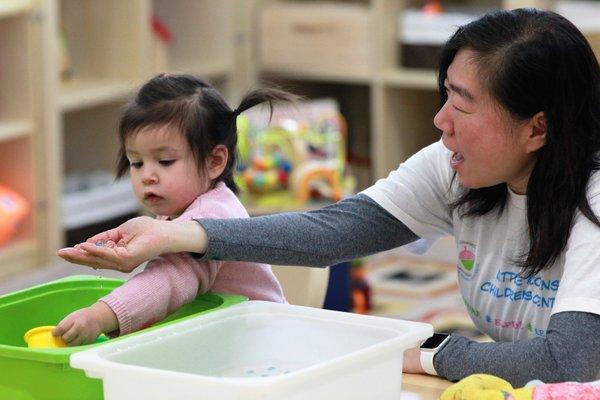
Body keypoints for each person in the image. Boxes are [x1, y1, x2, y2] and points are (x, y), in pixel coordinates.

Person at [57, 8, 600, 386]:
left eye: (462, 106)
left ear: (537, 129)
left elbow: (570, 360)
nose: (439, 122)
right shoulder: (455, 168)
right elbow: (333, 233)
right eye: (444, 97)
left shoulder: (593, 202)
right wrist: (182, 233)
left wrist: (430, 354)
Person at [53, 74, 292, 345]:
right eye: (137, 163)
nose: (147, 176)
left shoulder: (212, 214)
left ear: (214, 161)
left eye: (165, 161)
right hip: (220, 339)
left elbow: (169, 279)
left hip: (258, 346)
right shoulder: (179, 206)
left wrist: (99, 316)